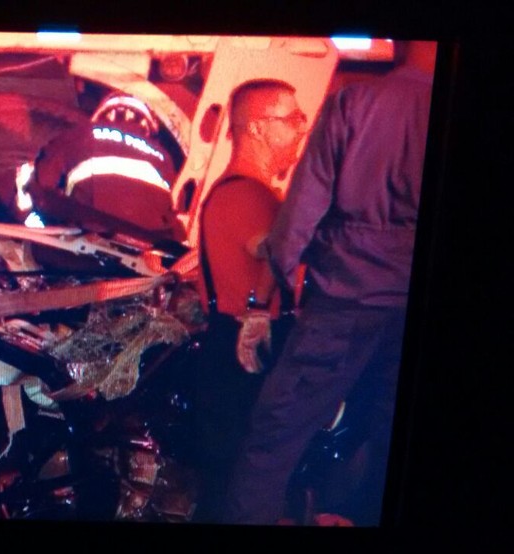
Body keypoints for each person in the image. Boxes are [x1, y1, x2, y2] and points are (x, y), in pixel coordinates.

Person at [223, 41, 436, 526]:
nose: (299, 128)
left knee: (273, 438)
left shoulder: (355, 104)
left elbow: (299, 215)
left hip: (345, 300)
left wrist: (262, 301)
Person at [190, 79, 308, 523]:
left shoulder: (247, 193)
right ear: (258, 128)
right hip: (243, 357)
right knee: (244, 486)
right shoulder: (247, 195)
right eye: (292, 119)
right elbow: (278, 248)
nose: (301, 130)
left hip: (234, 355)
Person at [28, 92, 180, 242]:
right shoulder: (165, 157)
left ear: (102, 114)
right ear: (148, 124)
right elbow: (173, 210)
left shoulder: (81, 134)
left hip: (89, 236)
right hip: (148, 245)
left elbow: (43, 181)